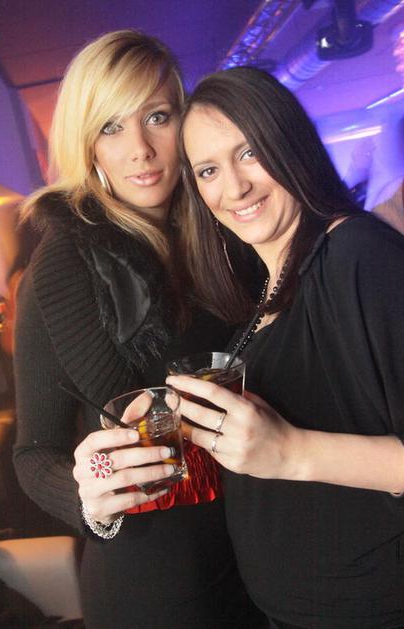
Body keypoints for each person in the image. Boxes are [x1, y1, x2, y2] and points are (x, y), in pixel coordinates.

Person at [13, 33, 265, 629]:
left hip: (268, 548)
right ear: (87, 144)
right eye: (111, 127)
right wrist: (90, 499)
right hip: (159, 578)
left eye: (157, 117)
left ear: (184, 120)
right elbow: (34, 453)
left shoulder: (230, 226)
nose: (140, 150)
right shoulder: (63, 266)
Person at [166, 66, 404, 628]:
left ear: (289, 143)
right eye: (208, 170)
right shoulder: (267, 289)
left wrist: (291, 450)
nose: (234, 188)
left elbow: (287, 449)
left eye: (249, 153)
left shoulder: (357, 255)